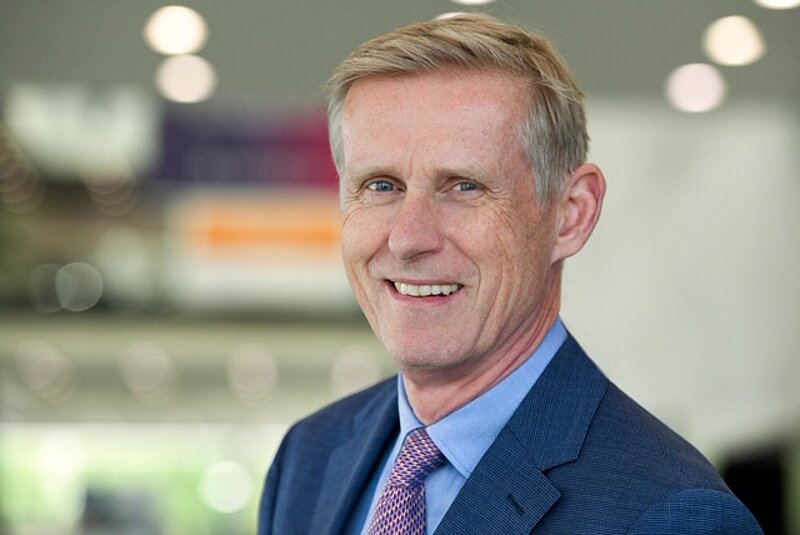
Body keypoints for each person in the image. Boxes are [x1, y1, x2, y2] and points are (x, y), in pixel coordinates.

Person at [259, 13, 762, 534]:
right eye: (381, 186)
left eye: (464, 185)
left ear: (571, 214)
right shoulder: (308, 458)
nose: (408, 238)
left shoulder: (675, 515)